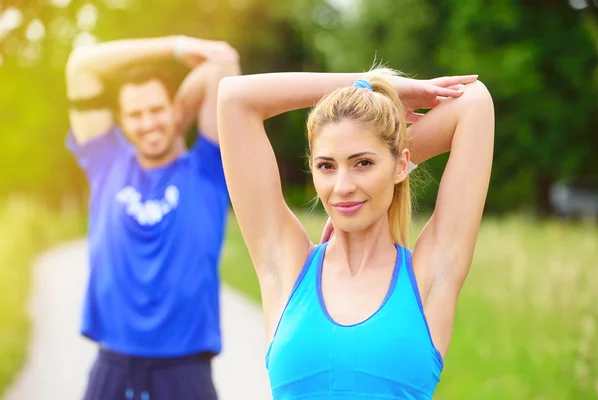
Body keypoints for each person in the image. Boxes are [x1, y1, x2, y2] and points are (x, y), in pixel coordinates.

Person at [216, 68, 493, 399]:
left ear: (402, 165)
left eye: (362, 163)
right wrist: (367, 82)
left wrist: (381, 107)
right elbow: (234, 98)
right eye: (327, 166)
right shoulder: (287, 267)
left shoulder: (428, 279)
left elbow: (474, 102)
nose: (343, 187)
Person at [65, 35, 240, 400]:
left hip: (185, 370)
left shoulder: (207, 169)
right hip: (112, 365)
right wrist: (175, 46)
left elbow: (223, 62)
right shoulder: (105, 160)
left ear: (175, 108)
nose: (147, 123)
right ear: (120, 120)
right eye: (135, 114)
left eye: (156, 110)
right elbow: (81, 66)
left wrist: (180, 117)